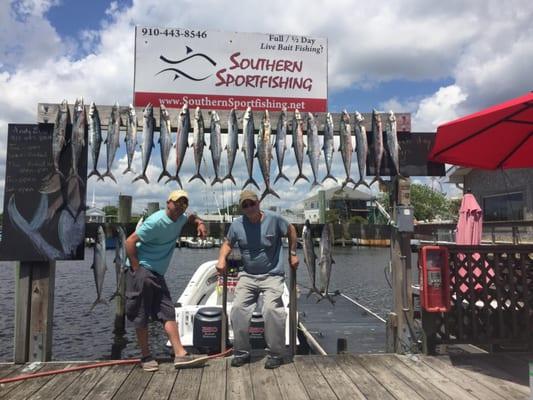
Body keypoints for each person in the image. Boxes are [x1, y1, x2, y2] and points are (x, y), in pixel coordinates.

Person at [125, 190, 208, 371]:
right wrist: (136, 268)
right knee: (141, 313)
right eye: (176, 203)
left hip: (157, 273)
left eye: (183, 204)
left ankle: (180, 354)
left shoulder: (180, 218)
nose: (180, 207)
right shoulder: (155, 221)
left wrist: (199, 222)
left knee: (167, 310)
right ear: (168, 202)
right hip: (143, 269)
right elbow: (130, 241)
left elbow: (191, 217)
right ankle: (146, 356)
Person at [216, 190, 299, 369]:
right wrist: (222, 258)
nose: (249, 207)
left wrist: (292, 253)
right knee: (237, 309)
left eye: (251, 203)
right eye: (245, 205)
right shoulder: (237, 225)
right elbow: (227, 243)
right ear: (242, 208)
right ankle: (242, 352)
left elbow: (291, 230)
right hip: (248, 275)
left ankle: (276, 353)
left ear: (258, 203)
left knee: (271, 310)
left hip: (272, 275)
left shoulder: (274, 219)